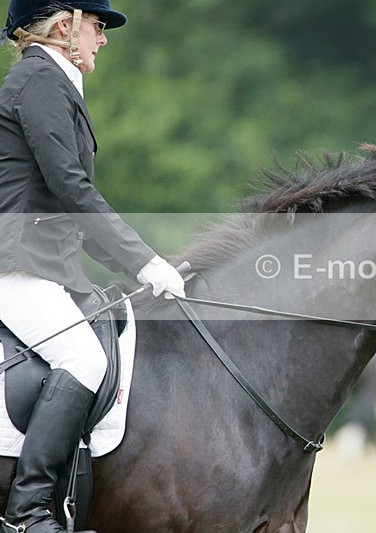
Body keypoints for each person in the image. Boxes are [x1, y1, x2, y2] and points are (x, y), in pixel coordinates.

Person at [0, 2, 185, 531]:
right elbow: (71, 188)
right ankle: (27, 512)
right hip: (14, 265)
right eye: (98, 26)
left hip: (43, 264)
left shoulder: (51, 84)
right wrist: (144, 261)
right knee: (81, 355)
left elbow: (71, 211)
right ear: (65, 26)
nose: (103, 39)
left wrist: (145, 269)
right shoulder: (38, 79)